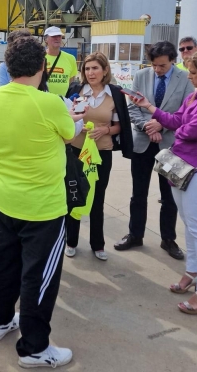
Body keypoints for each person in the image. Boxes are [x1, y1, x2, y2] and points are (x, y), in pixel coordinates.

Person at [0, 36, 83, 369]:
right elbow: (71, 135)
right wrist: (74, 114)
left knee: (4, 266)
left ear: (8, 66)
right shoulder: (50, 102)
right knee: (39, 277)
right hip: (43, 208)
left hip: (8, 200)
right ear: (42, 66)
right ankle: (35, 348)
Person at [130, 49, 197, 315]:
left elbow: (194, 129)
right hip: (184, 166)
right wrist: (150, 109)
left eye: (195, 72)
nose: (191, 76)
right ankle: (192, 273)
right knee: (190, 224)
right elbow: (177, 120)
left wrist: (178, 129)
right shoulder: (195, 95)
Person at [115, 41, 195, 260]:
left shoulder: (184, 79)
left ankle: (168, 239)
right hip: (142, 143)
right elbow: (132, 106)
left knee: (169, 195)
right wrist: (147, 127)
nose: (157, 70)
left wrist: (162, 124)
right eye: (154, 65)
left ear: (172, 61)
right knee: (138, 193)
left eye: (162, 66)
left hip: (170, 145)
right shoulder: (142, 76)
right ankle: (135, 234)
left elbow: (186, 113)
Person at [0, 28, 39, 288]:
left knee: (16, 217)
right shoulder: (7, 79)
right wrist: (0, 141)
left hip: (34, 153)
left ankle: (11, 266)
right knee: (4, 217)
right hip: (17, 155)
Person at [64, 52, 133, 261]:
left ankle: (97, 244)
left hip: (101, 153)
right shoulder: (76, 90)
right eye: (87, 68)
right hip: (76, 150)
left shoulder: (114, 94)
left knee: (97, 198)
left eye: (95, 68)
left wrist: (105, 131)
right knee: (74, 195)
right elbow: (66, 117)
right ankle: (71, 240)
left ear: (104, 71)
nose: (90, 72)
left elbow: (119, 125)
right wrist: (76, 124)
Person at [43, 26, 78, 97]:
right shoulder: (40, 57)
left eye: (59, 36)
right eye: (54, 36)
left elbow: (71, 82)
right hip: (43, 101)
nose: (57, 38)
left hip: (63, 102)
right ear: (46, 39)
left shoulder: (70, 59)